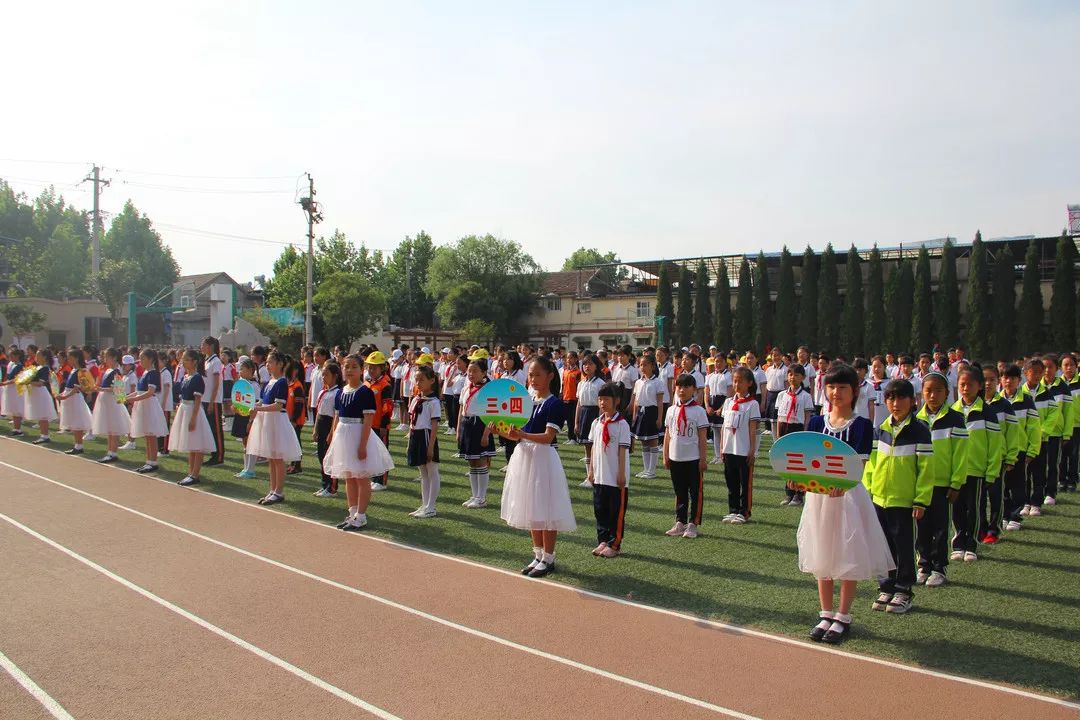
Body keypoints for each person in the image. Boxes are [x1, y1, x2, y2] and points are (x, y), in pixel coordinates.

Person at [797, 364, 894, 643]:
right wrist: (801, 481)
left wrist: (841, 486)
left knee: (847, 553)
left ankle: (843, 616)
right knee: (822, 552)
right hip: (819, 500)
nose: (836, 392)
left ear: (854, 391)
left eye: (842, 387)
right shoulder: (817, 423)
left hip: (848, 498)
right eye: (831, 387)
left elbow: (859, 466)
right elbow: (808, 463)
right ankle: (825, 612)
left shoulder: (862, 426)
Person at [499, 356, 575, 578]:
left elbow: (548, 437)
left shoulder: (555, 404)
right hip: (525, 457)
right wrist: (499, 431)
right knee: (531, 507)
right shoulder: (526, 401)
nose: (532, 379)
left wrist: (522, 434)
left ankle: (549, 557)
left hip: (543, 458)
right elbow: (516, 435)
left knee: (546, 508)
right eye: (530, 374)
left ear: (550, 376)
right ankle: (537, 554)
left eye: (537, 374)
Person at [863, 378, 934, 616]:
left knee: (904, 547)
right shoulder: (881, 429)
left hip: (904, 502)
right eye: (891, 398)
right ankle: (886, 586)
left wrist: (921, 499)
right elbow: (872, 465)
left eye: (902, 397)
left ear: (913, 401)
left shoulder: (920, 431)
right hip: (880, 499)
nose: (896, 403)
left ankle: (904, 590)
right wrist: (868, 490)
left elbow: (926, 470)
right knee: (883, 547)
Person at [324, 353, 396, 530]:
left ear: (361, 370)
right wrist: (332, 437)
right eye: (346, 366)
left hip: (358, 435)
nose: (349, 370)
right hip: (343, 434)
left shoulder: (365, 392)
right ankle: (352, 513)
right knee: (349, 476)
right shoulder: (341, 391)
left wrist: (362, 445)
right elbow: (337, 416)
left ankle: (361, 516)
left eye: (354, 367)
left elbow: (368, 420)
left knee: (361, 477)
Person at [913, 371, 968, 587]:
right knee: (921, 526)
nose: (933, 395)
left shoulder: (955, 419)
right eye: (928, 391)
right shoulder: (917, 419)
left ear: (947, 393)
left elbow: (961, 455)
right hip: (921, 485)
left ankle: (939, 567)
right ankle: (924, 565)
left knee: (941, 526)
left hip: (944, 484)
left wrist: (956, 483)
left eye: (938, 391)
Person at [950, 364, 999, 562]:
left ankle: (972, 544)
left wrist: (992, 470)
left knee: (976, 509)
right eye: (962, 384)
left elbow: (995, 444)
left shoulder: (987, 412)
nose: (965, 388)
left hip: (977, 469)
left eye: (970, 384)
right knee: (957, 509)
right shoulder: (952, 412)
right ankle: (959, 543)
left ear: (979, 386)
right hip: (955, 472)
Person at [246, 351, 304, 505]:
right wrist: (252, 406)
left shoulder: (282, 382)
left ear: (280, 364)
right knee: (271, 458)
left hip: (276, 421)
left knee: (277, 458)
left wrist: (258, 410)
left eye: (271, 362)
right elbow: (263, 401)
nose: (268, 365)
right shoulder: (269, 382)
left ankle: (278, 491)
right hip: (267, 421)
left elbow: (279, 406)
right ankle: (273, 489)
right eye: (267, 362)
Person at [663, 373, 710, 537]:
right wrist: (665, 454)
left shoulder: (699, 411)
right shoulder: (671, 410)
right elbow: (668, 434)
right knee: (679, 491)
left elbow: (703, 437)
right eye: (679, 386)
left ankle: (693, 523)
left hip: (693, 458)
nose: (681, 390)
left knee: (695, 491)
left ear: (694, 390)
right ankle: (680, 521)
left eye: (686, 387)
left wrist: (703, 459)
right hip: (676, 457)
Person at [588, 381, 631, 558]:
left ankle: (614, 543)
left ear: (617, 401)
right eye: (600, 399)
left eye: (606, 399)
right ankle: (603, 540)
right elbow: (593, 448)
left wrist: (621, 473)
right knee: (600, 510)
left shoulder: (622, 425)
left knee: (616, 512)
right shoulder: (597, 423)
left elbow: (622, 450)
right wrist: (591, 470)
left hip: (615, 477)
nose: (603, 403)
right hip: (600, 476)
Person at [718, 367, 761, 524]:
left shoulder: (752, 404)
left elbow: (752, 429)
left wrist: (752, 450)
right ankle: (733, 509)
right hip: (729, 448)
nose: (736, 384)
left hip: (743, 449)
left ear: (749, 383)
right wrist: (722, 447)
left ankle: (744, 511)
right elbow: (724, 427)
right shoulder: (729, 402)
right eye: (734, 381)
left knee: (745, 482)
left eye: (740, 381)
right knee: (731, 481)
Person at [169, 350, 217, 486]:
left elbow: (197, 400)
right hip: (184, 409)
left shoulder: (197, 378)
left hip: (193, 411)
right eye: (183, 359)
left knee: (197, 444)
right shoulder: (185, 377)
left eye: (186, 359)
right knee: (191, 444)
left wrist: (194, 418)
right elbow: (182, 395)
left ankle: (195, 474)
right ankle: (190, 472)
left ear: (194, 361)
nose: (183, 362)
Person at [1001, 363, 1038, 531]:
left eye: (1012, 378)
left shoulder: (1026, 400)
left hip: (1020, 450)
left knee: (1018, 485)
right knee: (1001, 486)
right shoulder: (996, 401)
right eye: (1005, 377)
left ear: (1018, 380)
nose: (1008, 381)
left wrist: (1032, 450)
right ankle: (1004, 514)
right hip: (1001, 451)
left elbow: (1034, 427)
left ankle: (1015, 515)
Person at [458, 352, 497, 508]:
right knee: (472, 462)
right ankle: (474, 495)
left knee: (481, 462)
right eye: (469, 371)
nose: (471, 374)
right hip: (467, 424)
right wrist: (460, 430)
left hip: (480, 425)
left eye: (475, 371)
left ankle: (481, 497)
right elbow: (462, 408)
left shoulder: (488, 389)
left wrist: (486, 434)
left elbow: (492, 414)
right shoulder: (467, 387)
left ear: (484, 373)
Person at [777, 364, 815, 506]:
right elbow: (779, 417)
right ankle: (789, 492)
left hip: (798, 429)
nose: (793, 377)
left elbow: (807, 416)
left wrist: (805, 434)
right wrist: (778, 436)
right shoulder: (782, 395)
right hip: (784, 428)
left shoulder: (805, 396)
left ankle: (799, 494)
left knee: (798, 463)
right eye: (791, 374)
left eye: (797, 375)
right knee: (787, 463)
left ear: (803, 378)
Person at [407, 364, 441, 518]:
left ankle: (431, 507)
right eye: (416, 380)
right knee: (423, 473)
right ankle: (424, 504)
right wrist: (410, 441)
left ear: (432, 380)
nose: (418, 383)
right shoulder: (416, 399)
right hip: (416, 435)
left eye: (422, 380)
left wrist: (431, 447)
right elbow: (412, 422)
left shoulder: (433, 402)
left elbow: (434, 425)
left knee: (432, 471)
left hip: (427, 436)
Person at [127, 349, 170, 473]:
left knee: (151, 434)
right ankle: (148, 461)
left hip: (149, 404)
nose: (140, 361)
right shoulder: (146, 373)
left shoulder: (153, 373)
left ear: (150, 359)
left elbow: (150, 392)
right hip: (143, 404)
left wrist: (134, 399)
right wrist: (127, 397)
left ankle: (153, 462)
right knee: (147, 434)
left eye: (143, 359)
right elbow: (140, 390)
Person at [1021, 358, 1050, 517]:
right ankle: (1025, 502)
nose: (1038, 375)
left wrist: (1042, 431)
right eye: (1034, 372)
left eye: (1041, 372)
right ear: (1026, 374)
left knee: (1039, 473)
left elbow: (1053, 415)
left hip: (1041, 441)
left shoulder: (1046, 392)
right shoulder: (1020, 393)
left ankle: (1036, 503)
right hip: (1023, 441)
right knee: (1024, 474)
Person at [92, 348, 132, 463]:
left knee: (114, 428)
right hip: (106, 402)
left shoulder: (116, 372)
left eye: (107, 357)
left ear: (114, 358)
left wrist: (101, 389)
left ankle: (113, 453)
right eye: (104, 357)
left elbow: (118, 389)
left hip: (112, 403)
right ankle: (109, 452)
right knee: (110, 428)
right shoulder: (108, 370)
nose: (105, 359)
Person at [629, 355, 664, 480]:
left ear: (652, 366)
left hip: (652, 412)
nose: (642, 367)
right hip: (640, 413)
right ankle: (646, 469)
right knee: (644, 442)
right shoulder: (638, 382)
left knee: (652, 441)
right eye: (640, 365)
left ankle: (652, 470)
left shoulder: (657, 382)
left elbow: (659, 402)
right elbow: (636, 401)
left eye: (645, 365)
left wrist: (659, 418)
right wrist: (634, 416)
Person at [1041, 354, 1069, 507]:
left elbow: (1068, 412)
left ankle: (1050, 492)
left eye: (1050, 367)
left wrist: (1067, 433)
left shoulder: (1063, 387)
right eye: (1043, 368)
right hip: (1039, 434)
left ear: (1057, 369)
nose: (1046, 371)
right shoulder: (1037, 386)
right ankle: (1038, 491)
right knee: (1039, 466)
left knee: (1053, 463)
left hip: (1056, 433)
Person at [311, 361, 342, 497]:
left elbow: (336, 415)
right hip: (321, 424)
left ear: (335, 376)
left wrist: (331, 433)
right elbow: (318, 412)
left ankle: (332, 487)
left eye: (326, 375)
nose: (323, 377)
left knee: (330, 458)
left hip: (330, 425)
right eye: (322, 375)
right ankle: (324, 485)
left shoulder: (337, 393)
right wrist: (315, 429)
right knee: (321, 456)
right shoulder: (322, 392)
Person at [365, 351, 394, 492]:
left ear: (382, 368)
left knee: (381, 452)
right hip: (368, 424)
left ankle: (381, 480)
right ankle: (374, 477)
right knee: (372, 452)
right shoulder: (367, 383)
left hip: (380, 424)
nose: (371, 370)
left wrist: (384, 424)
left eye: (374, 367)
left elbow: (387, 407)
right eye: (369, 367)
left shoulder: (385, 385)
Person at [576, 353, 605, 489]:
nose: (587, 366)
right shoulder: (581, 383)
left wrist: (600, 421)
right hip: (584, 415)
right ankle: (589, 476)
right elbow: (579, 404)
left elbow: (602, 404)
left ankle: (596, 476)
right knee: (587, 448)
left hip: (595, 414)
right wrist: (576, 422)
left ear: (596, 366)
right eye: (585, 364)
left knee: (595, 447)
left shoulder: (600, 383)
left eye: (590, 364)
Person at [57, 349, 93, 455]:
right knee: (73, 421)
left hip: (75, 398)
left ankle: (79, 446)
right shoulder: (73, 370)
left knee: (77, 422)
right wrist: (63, 394)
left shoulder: (82, 371)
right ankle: (77, 445)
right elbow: (68, 386)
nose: (68, 360)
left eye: (70, 357)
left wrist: (65, 396)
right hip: (69, 397)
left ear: (76, 358)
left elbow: (79, 388)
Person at [232, 358, 260, 480]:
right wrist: (235, 407)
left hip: (250, 417)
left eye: (242, 369)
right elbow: (238, 400)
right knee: (245, 442)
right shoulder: (241, 383)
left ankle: (251, 469)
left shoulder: (254, 386)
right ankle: (245, 468)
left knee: (250, 442)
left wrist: (251, 420)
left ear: (250, 370)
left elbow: (257, 404)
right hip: (241, 416)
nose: (240, 371)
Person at [200, 336, 226, 465]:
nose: (201, 346)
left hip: (213, 400)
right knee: (210, 428)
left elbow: (216, 384)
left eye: (203, 344)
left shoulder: (216, 361)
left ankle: (219, 456)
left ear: (210, 346)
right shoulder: (207, 360)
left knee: (216, 428)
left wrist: (211, 402)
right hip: (205, 399)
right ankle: (213, 454)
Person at [24, 348, 58, 444]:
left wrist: (28, 381)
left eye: (38, 355)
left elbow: (40, 383)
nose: (36, 357)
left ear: (45, 357)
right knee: (40, 415)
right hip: (36, 393)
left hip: (41, 393)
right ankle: (43, 435)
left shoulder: (45, 368)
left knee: (43, 415)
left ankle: (45, 436)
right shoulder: (38, 367)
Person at [705, 356, 732, 464]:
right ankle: (717, 455)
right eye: (716, 362)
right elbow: (706, 392)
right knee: (715, 430)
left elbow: (730, 393)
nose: (718, 364)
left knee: (723, 431)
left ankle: (723, 455)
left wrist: (722, 408)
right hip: (712, 402)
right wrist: (707, 406)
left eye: (721, 362)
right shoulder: (710, 376)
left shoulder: (728, 375)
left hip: (723, 401)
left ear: (725, 363)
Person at [1061, 353, 1080, 493]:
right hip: (1061, 426)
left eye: (1071, 365)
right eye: (1065, 365)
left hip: (1076, 425)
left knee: (1074, 455)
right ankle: (1061, 480)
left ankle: (1072, 481)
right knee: (1061, 455)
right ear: (1061, 367)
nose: (1069, 368)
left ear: (1076, 366)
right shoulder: (1058, 384)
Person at [285, 359, 307, 475]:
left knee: (296, 442)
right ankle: (293, 463)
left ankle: (297, 466)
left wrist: (293, 419)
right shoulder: (291, 384)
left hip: (296, 420)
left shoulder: (297, 386)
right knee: (292, 442)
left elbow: (299, 405)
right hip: (290, 419)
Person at [0, 347, 26, 434]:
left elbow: (16, 379)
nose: (10, 358)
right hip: (11, 388)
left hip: (16, 389)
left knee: (17, 408)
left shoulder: (20, 366)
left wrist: (5, 383)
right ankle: (15, 428)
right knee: (13, 408)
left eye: (12, 356)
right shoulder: (12, 365)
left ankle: (18, 429)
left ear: (17, 356)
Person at [561, 352, 582, 444]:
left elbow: (579, 386)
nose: (568, 360)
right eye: (567, 358)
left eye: (571, 358)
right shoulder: (565, 371)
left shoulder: (578, 372)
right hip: (566, 397)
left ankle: (574, 438)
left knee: (573, 419)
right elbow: (563, 385)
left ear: (576, 359)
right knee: (568, 419)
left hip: (574, 399)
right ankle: (570, 437)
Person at [157, 352, 174, 457]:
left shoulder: (166, 372)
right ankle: (160, 447)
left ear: (164, 361)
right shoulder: (160, 372)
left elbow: (167, 388)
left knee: (165, 427)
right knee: (159, 426)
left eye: (158, 361)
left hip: (165, 405)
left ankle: (165, 449)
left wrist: (163, 403)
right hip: (159, 404)